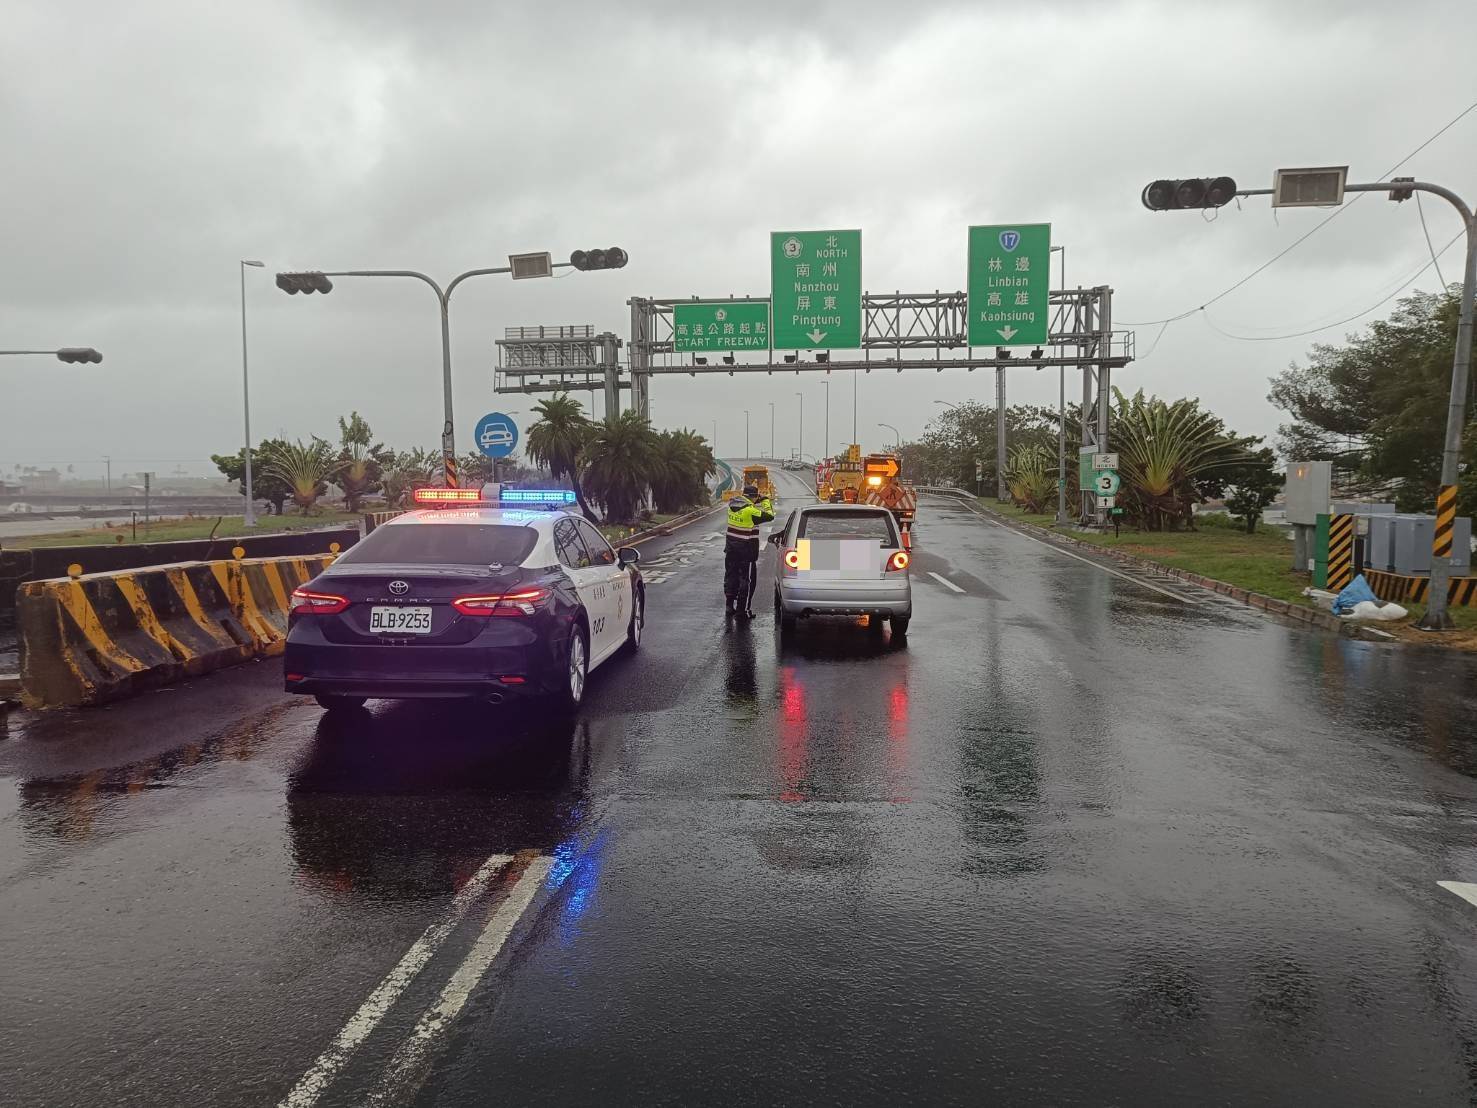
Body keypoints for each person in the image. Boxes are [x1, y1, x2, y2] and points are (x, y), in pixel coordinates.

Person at [723, 483, 773, 617]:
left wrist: (755, 501)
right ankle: (742, 610)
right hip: (746, 551)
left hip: (730, 549)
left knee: (731, 576)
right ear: (753, 497)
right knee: (746, 579)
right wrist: (765, 501)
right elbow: (769, 515)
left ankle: (729, 606)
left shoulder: (732, 506)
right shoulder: (750, 511)